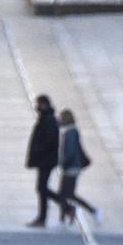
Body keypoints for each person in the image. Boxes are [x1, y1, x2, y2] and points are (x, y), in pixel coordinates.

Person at [56, 109, 100, 225]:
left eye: (61, 118)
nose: (60, 120)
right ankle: (66, 216)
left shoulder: (70, 133)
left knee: (64, 194)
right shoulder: (72, 131)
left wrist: (62, 163)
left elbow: (69, 152)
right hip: (73, 167)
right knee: (65, 194)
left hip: (71, 168)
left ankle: (92, 211)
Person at [25, 95, 61, 228]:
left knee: (42, 188)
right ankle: (43, 217)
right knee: (42, 188)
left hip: (46, 160)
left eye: (39, 104)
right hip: (44, 160)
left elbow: (49, 141)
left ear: (45, 104)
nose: (37, 107)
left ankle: (63, 207)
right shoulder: (45, 118)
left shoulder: (49, 120)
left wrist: (39, 152)